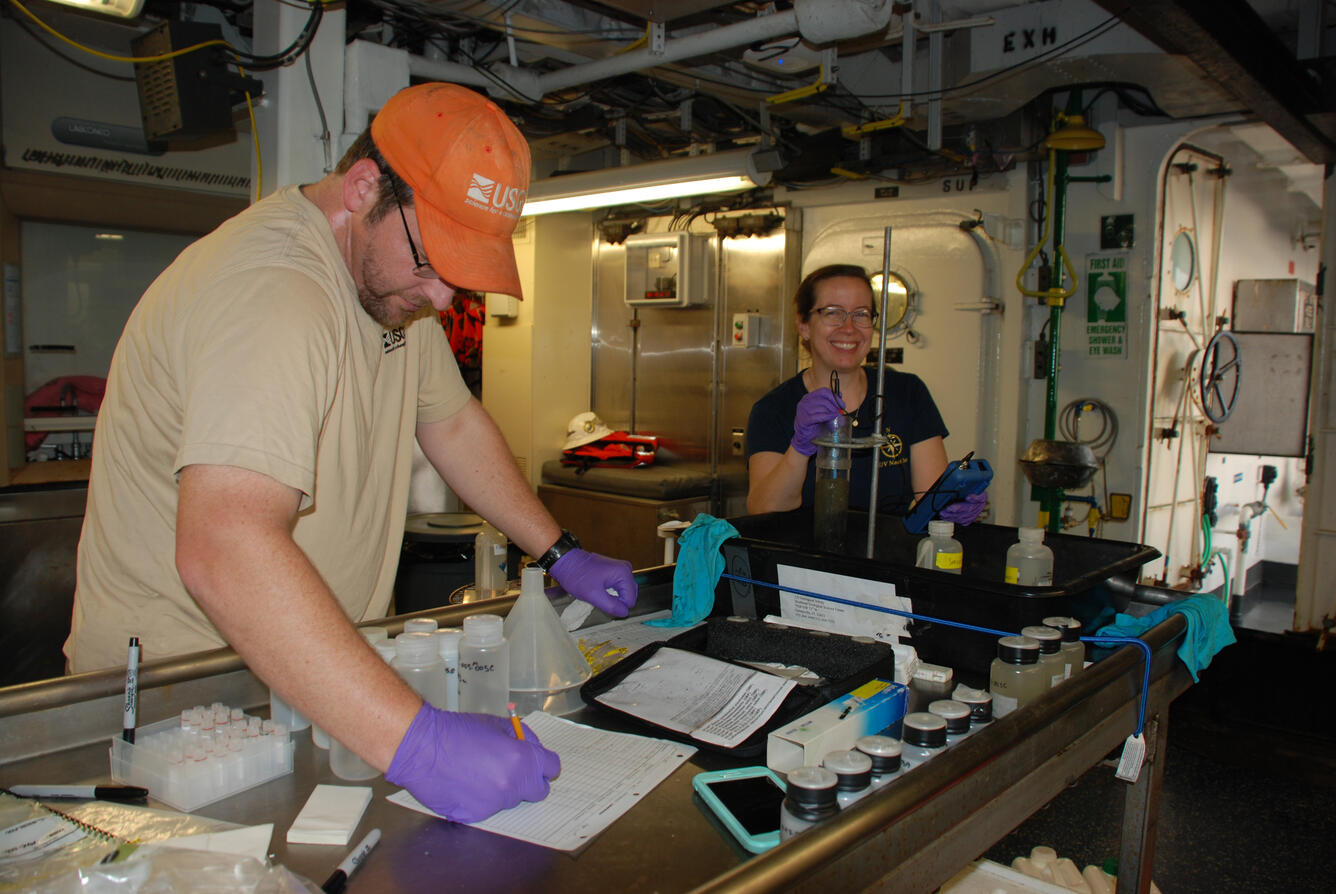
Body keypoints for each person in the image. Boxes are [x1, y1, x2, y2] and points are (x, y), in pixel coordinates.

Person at [64, 83, 636, 823]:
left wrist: (558, 551)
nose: (439, 299)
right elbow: (224, 546)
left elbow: (453, 424)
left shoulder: (389, 284)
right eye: (432, 263)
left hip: (313, 679)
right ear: (364, 187)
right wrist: (421, 745)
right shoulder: (278, 291)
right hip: (188, 705)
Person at [746, 264, 986, 522]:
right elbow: (762, 508)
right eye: (832, 313)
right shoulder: (772, 410)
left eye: (861, 314)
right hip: (800, 559)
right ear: (803, 325)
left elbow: (930, 498)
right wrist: (800, 448)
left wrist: (953, 504)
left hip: (888, 555)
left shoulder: (907, 393)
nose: (849, 328)